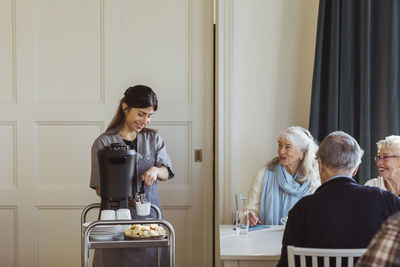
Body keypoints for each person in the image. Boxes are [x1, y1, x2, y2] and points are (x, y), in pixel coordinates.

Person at [276, 131, 400, 267]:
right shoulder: (387, 201)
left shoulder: (301, 209)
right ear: (355, 169)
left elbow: (286, 264)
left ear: (320, 165)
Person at [90, 85, 175, 267]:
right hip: (115, 223)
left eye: (149, 116)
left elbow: (166, 172)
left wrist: (155, 170)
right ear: (125, 107)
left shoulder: (153, 139)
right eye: (141, 114)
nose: (145, 120)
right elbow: (99, 188)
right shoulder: (103, 143)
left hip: (150, 224)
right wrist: (127, 198)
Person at [245, 126, 320, 226]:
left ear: (302, 153)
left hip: (303, 240)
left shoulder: (315, 178)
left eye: (288, 147)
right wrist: (249, 217)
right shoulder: (263, 174)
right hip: (266, 238)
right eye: (280, 145)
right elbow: (248, 211)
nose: (281, 151)